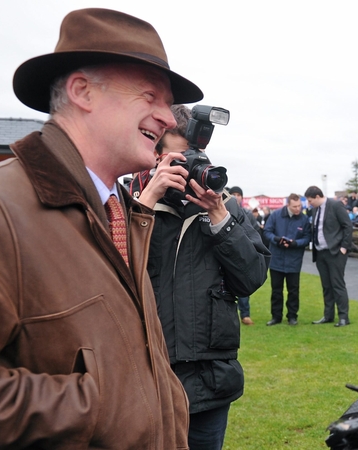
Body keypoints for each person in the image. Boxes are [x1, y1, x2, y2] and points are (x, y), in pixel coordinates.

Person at [0, 8, 200, 448]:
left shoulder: (121, 210)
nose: (169, 118)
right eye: (151, 96)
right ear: (82, 91)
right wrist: (99, 403)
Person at [135, 105, 270, 449]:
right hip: (147, 376)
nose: (193, 167)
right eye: (182, 159)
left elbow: (251, 278)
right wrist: (148, 200)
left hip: (210, 381)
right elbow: (112, 273)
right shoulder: (131, 206)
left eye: (199, 157)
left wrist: (220, 217)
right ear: (156, 157)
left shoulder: (227, 208)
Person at [306, 186, 354, 327]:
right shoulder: (315, 209)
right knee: (326, 286)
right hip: (320, 252)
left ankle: (344, 317)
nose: (309, 204)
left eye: (310, 201)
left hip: (336, 252)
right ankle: (328, 316)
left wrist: (344, 247)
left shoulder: (335, 205)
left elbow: (347, 226)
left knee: (337, 284)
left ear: (317, 196)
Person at [264, 193, 312, 326]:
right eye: (295, 206)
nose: (298, 209)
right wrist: (277, 239)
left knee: (293, 290)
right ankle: (276, 316)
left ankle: (292, 316)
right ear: (288, 205)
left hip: (294, 260)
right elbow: (267, 232)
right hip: (277, 259)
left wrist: (295, 243)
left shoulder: (304, 219)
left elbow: (308, 238)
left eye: (299, 206)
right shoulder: (275, 215)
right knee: (276, 290)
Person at [228, 185, 257, 325]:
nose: (236, 196)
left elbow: (254, 233)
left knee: (243, 284)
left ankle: (245, 315)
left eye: (238, 194)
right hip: (227, 251)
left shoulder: (248, 214)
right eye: (233, 194)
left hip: (243, 252)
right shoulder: (223, 211)